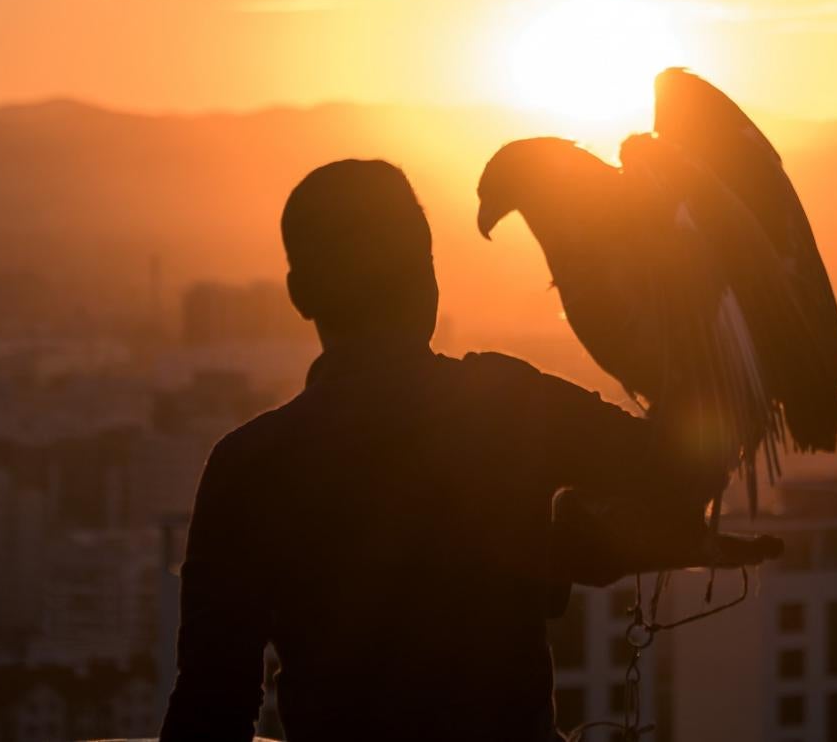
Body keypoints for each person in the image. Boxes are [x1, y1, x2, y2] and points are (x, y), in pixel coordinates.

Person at [159, 159, 766, 742]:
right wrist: (571, 547)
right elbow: (685, 469)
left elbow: (210, 709)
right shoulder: (507, 404)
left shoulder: (248, 467)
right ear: (428, 279)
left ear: (300, 294)